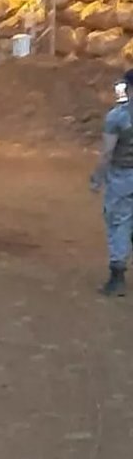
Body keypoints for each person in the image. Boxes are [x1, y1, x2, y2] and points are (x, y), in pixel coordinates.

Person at [92, 70, 133, 296]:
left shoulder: (117, 117)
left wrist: (97, 178)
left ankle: (117, 277)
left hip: (122, 177)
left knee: (119, 223)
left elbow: (108, 153)